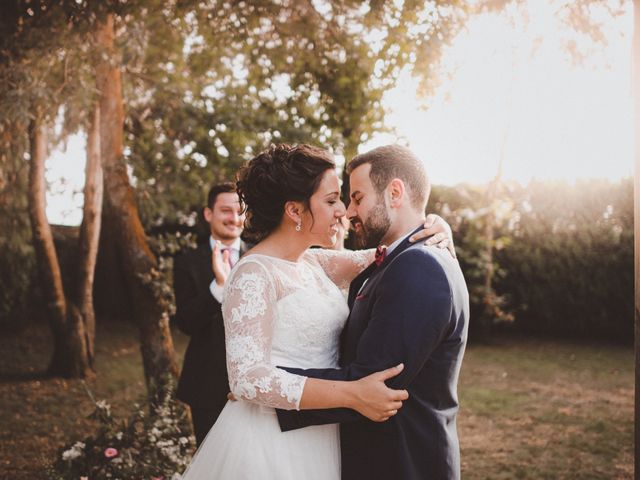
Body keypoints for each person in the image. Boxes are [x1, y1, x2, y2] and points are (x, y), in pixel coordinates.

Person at [181, 144, 455, 480]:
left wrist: (435, 227)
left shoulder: (316, 263)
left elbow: (392, 253)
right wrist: (352, 394)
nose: (343, 210)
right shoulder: (254, 273)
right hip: (272, 443)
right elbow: (246, 379)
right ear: (295, 211)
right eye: (330, 200)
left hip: (324, 435)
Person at [277, 145, 469, 480]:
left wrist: (271, 386)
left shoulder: (418, 266)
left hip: (401, 463)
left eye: (358, 198)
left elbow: (374, 383)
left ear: (395, 193)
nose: (349, 211)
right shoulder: (394, 261)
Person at [173, 182, 247, 446]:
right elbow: (186, 322)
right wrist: (219, 287)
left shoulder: (261, 255)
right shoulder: (187, 260)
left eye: (239, 211)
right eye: (226, 210)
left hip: (253, 383)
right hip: (206, 382)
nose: (234, 218)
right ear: (208, 214)